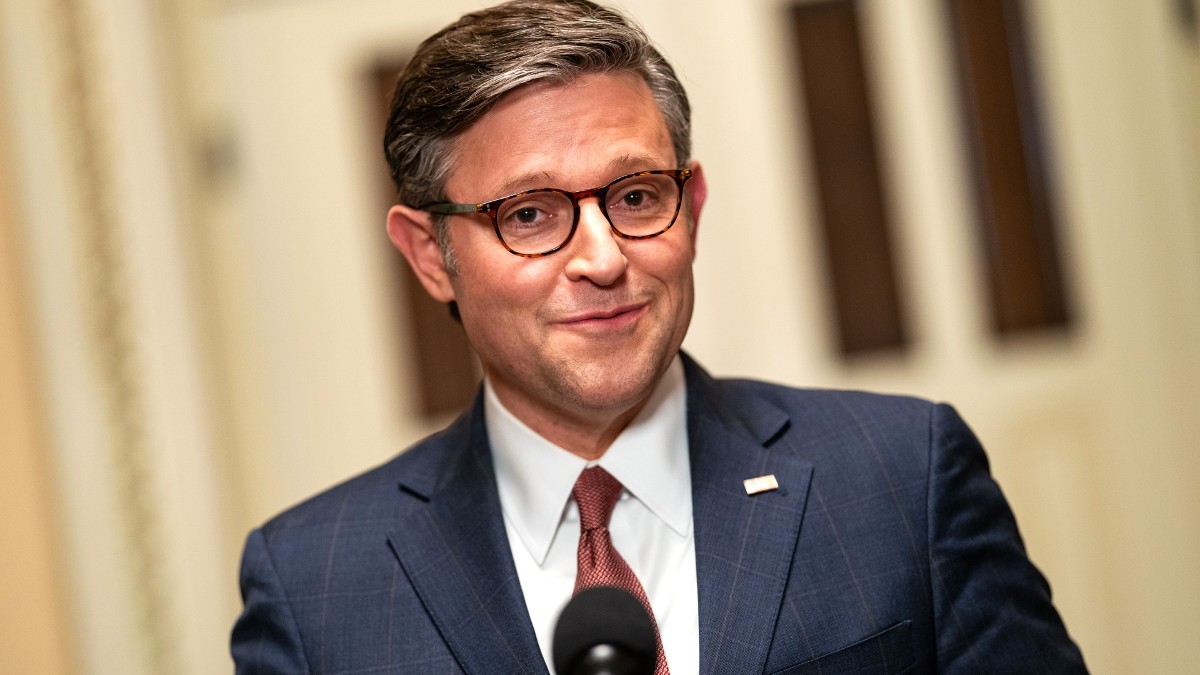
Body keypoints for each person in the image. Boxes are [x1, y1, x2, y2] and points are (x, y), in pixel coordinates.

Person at [231, 1, 1087, 672]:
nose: (603, 258)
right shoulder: (316, 585)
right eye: (530, 214)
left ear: (694, 206)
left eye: (637, 196)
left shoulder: (903, 477)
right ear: (431, 255)